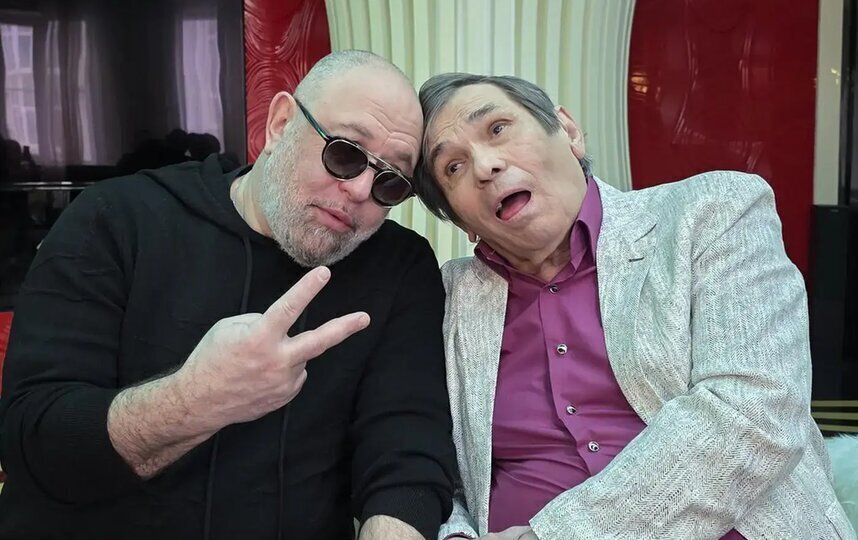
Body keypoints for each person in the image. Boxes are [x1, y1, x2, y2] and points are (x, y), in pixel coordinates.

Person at [0, 50, 456, 540]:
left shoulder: (400, 266)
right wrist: (200, 399)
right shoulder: (115, 218)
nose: (362, 191)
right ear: (281, 123)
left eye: (389, 182)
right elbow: (34, 440)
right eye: (345, 153)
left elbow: (407, 454)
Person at [412, 73, 857, 540]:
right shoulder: (449, 299)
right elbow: (435, 470)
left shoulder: (710, 214)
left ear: (569, 132)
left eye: (498, 129)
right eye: (454, 167)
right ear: (460, 220)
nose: (485, 166)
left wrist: (552, 536)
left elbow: (754, 414)